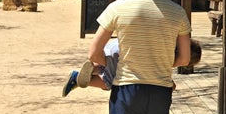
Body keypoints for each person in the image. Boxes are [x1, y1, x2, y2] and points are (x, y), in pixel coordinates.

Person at [62, 38, 202, 96]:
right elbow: (162, 79)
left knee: (108, 67)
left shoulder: (164, 42)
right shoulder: (166, 58)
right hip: (119, 55)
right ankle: (77, 77)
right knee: (109, 83)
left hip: (115, 45)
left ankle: (94, 68)